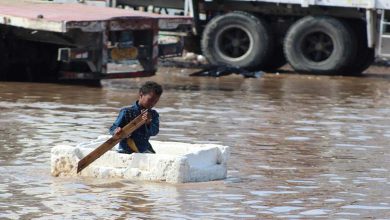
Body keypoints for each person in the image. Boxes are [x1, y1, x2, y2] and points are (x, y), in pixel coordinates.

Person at [109, 81, 163, 154]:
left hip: (144, 149)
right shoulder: (126, 112)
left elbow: (154, 132)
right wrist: (117, 131)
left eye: (155, 101)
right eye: (150, 100)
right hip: (126, 150)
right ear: (141, 94)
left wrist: (148, 123)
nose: (152, 104)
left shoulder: (153, 114)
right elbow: (112, 128)